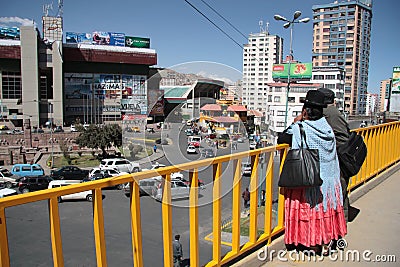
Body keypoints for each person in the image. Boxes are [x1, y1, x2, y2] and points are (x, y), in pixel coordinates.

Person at [277, 90, 347, 255]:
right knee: (325, 212)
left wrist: (296, 122)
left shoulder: (301, 128)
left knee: (310, 211)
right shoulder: (327, 128)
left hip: (311, 178)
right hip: (329, 179)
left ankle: (312, 243)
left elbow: (281, 138)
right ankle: (326, 240)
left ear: (305, 111)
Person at [319, 87, 351, 223]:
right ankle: (341, 224)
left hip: (337, 160)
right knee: (341, 194)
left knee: (336, 194)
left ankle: (337, 227)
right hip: (344, 159)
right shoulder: (335, 112)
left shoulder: (326, 113)